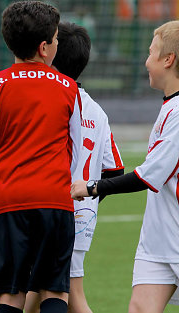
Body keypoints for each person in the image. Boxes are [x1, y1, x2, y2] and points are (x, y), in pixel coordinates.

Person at [0, 2, 82, 313]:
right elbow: (75, 150)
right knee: (54, 291)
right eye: (56, 38)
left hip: (10, 199)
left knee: (10, 294)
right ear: (45, 47)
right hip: (55, 199)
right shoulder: (68, 87)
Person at [71, 20, 179, 313]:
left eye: (150, 53)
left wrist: (91, 187)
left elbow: (148, 175)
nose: (145, 61)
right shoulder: (169, 106)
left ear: (168, 60)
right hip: (157, 242)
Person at [24, 22, 124, 313]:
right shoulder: (96, 110)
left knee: (70, 295)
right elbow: (114, 170)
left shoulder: (49, 100)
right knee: (40, 291)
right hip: (80, 215)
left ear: (50, 54)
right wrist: (88, 201)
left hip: (48, 210)